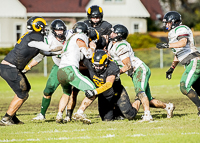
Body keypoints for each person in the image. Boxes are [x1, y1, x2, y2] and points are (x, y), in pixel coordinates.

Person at [0, 16, 62, 126]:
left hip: (9, 67)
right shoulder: (35, 36)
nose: (44, 29)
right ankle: (6, 119)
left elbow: (45, 52)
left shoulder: (30, 36)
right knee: (22, 93)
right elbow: (49, 48)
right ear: (38, 27)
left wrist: (57, 53)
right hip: (10, 68)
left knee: (26, 89)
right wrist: (65, 47)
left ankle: (12, 117)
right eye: (43, 27)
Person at [107, 24, 175, 121]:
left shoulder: (121, 45)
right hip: (134, 72)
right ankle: (167, 106)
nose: (111, 34)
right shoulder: (113, 45)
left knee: (140, 92)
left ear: (119, 36)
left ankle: (147, 115)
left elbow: (128, 65)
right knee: (148, 98)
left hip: (139, 69)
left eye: (114, 32)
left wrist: (116, 73)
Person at [156, 11, 200, 116]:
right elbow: (178, 53)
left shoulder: (181, 29)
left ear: (174, 22)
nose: (166, 25)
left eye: (168, 23)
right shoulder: (173, 32)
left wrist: (167, 45)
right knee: (197, 87)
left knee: (184, 86)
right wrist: (171, 68)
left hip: (194, 60)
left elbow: (183, 42)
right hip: (190, 62)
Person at [26, 19, 68, 121]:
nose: (60, 32)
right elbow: (40, 55)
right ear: (53, 31)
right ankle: (42, 114)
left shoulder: (70, 36)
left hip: (70, 67)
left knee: (68, 91)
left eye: (61, 30)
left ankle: (66, 115)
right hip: (58, 66)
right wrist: (29, 66)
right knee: (47, 91)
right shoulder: (49, 39)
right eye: (57, 30)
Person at [81, 49, 140, 121]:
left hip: (117, 93)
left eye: (100, 66)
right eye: (95, 65)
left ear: (105, 63)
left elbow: (108, 84)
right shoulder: (89, 63)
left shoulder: (112, 67)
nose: (97, 68)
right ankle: (118, 112)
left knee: (130, 115)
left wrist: (94, 92)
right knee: (106, 119)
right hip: (104, 95)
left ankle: (138, 100)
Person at [56, 22, 97, 124]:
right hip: (70, 69)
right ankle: (80, 112)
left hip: (60, 70)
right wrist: (92, 47)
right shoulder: (80, 36)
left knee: (66, 93)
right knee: (93, 90)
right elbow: (88, 54)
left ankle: (59, 115)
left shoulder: (70, 38)